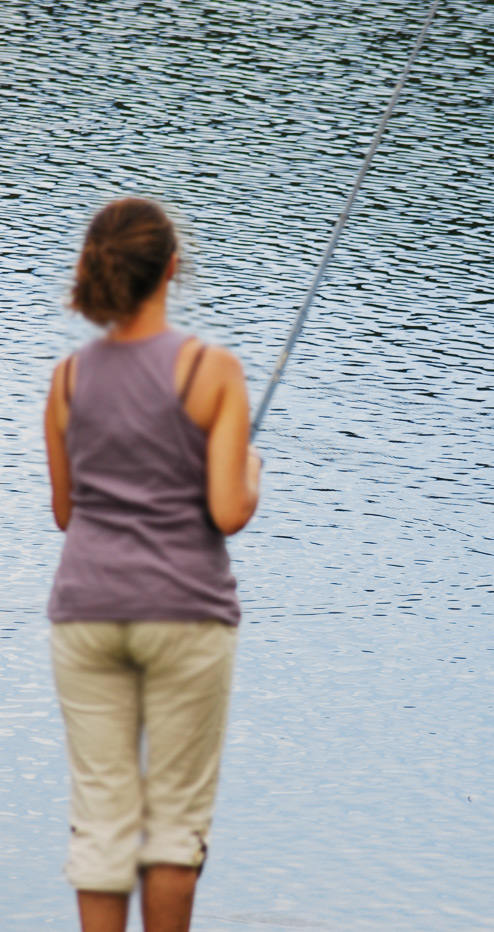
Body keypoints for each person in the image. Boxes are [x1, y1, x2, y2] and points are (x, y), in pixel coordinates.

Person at [44, 197, 262, 932]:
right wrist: (252, 469)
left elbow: (67, 513)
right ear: (171, 269)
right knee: (171, 825)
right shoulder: (211, 369)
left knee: (102, 824)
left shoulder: (68, 381)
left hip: (86, 615)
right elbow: (229, 510)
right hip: (184, 614)